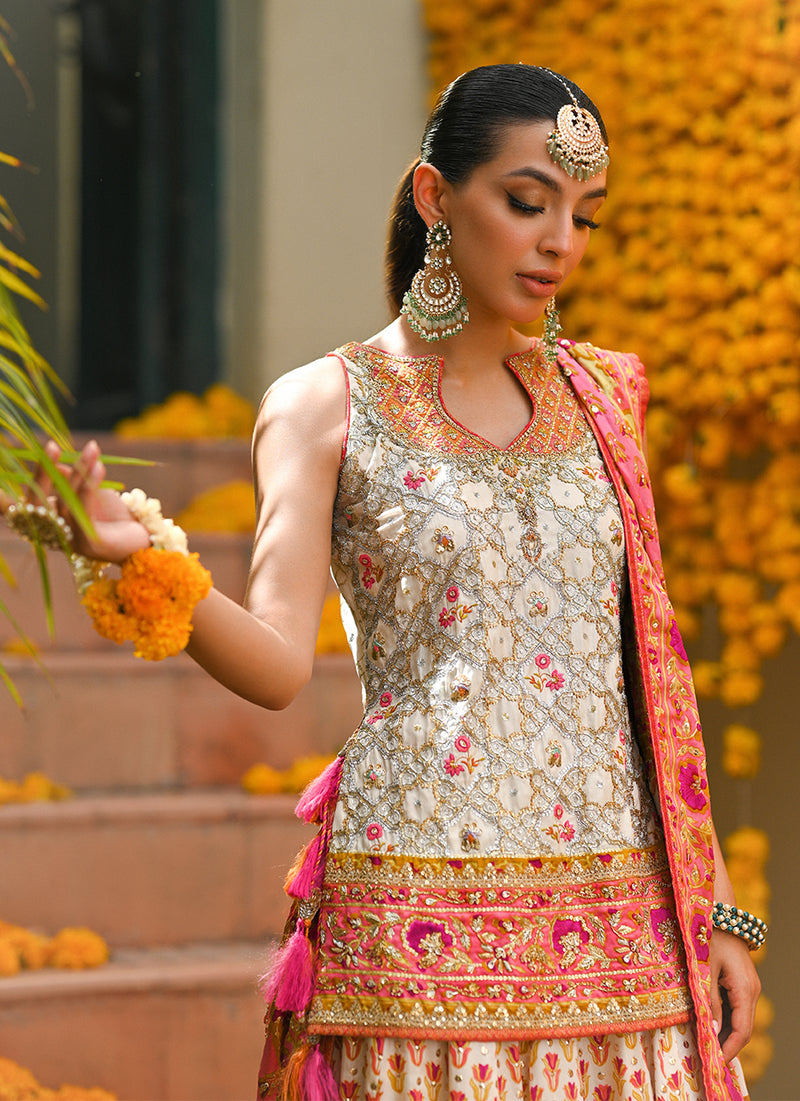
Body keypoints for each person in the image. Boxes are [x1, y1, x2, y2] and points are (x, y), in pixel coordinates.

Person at [14, 64, 762, 1101]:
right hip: (417, 922)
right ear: (432, 196)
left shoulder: (603, 397)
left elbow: (651, 680)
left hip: (623, 921)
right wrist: (133, 554)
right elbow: (276, 663)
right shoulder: (327, 405)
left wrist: (716, 909)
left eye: (583, 217)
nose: (559, 243)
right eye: (525, 201)